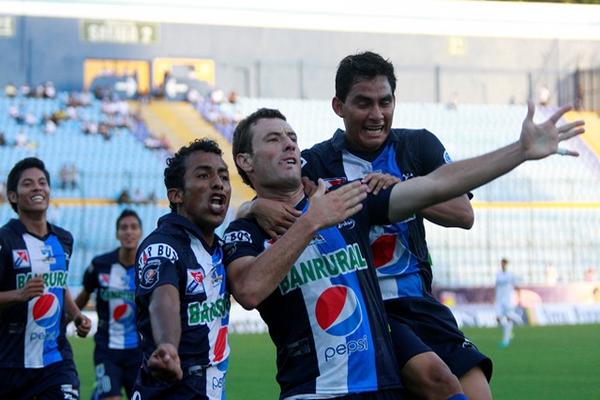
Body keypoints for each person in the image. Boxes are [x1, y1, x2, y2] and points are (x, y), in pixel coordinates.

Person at [226, 101, 582, 399]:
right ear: (245, 161)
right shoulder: (244, 231)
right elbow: (249, 290)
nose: (290, 145)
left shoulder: (346, 197)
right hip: (309, 390)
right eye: (274, 139)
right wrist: (306, 220)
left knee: (447, 382)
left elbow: (437, 185)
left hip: (378, 387)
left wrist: (519, 151)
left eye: (292, 137)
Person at [239, 52, 478, 399]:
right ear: (339, 106)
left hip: (419, 300)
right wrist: (255, 205)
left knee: (478, 391)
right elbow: (274, 189)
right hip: (370, 307)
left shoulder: (418, 145)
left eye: (385, 102)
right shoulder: (318, 162)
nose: (376, 115)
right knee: (436, 378)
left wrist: (400, 188)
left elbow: (464, 214)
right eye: (364, 103)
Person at [131, 139, 231, 399]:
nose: (218, 183)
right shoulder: (162, 246)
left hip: (210, 387)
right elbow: (163, 300)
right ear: (177, 195)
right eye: (203, 175)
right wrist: (167, 346)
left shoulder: (219, 248)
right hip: (174, 389)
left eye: (223, 176)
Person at [0, 157, 92, 400]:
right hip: (9, 364)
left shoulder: (63, 240)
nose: (38, 187)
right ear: (13, 196)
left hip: (56, 361)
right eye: (28, 184)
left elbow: (58, 285)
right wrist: (19, 295)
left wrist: (76, 315)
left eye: (42, 182)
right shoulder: (5, 241)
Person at [75, 209, 144, 400]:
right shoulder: (100, 265)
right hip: (107, 348)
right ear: (117, 234)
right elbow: (84, 295)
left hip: (138, 352)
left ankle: (98, 394)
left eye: (133, 227)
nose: (128, 232)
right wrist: (70, 318)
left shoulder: (149, 267)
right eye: (124, 228)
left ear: (140, 232)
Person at [494, 258, 521, 348]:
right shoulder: (498, 274)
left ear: (507, 264)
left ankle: (506, 341)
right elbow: (496, 287)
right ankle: (516, 323)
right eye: (502, 264)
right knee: (498, 319)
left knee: (509, 317)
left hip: (508, 300)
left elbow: (517, 285)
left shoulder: (511, 275)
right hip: (499, 300)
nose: (503, 265)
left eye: (504, 264)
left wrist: (519, 297)